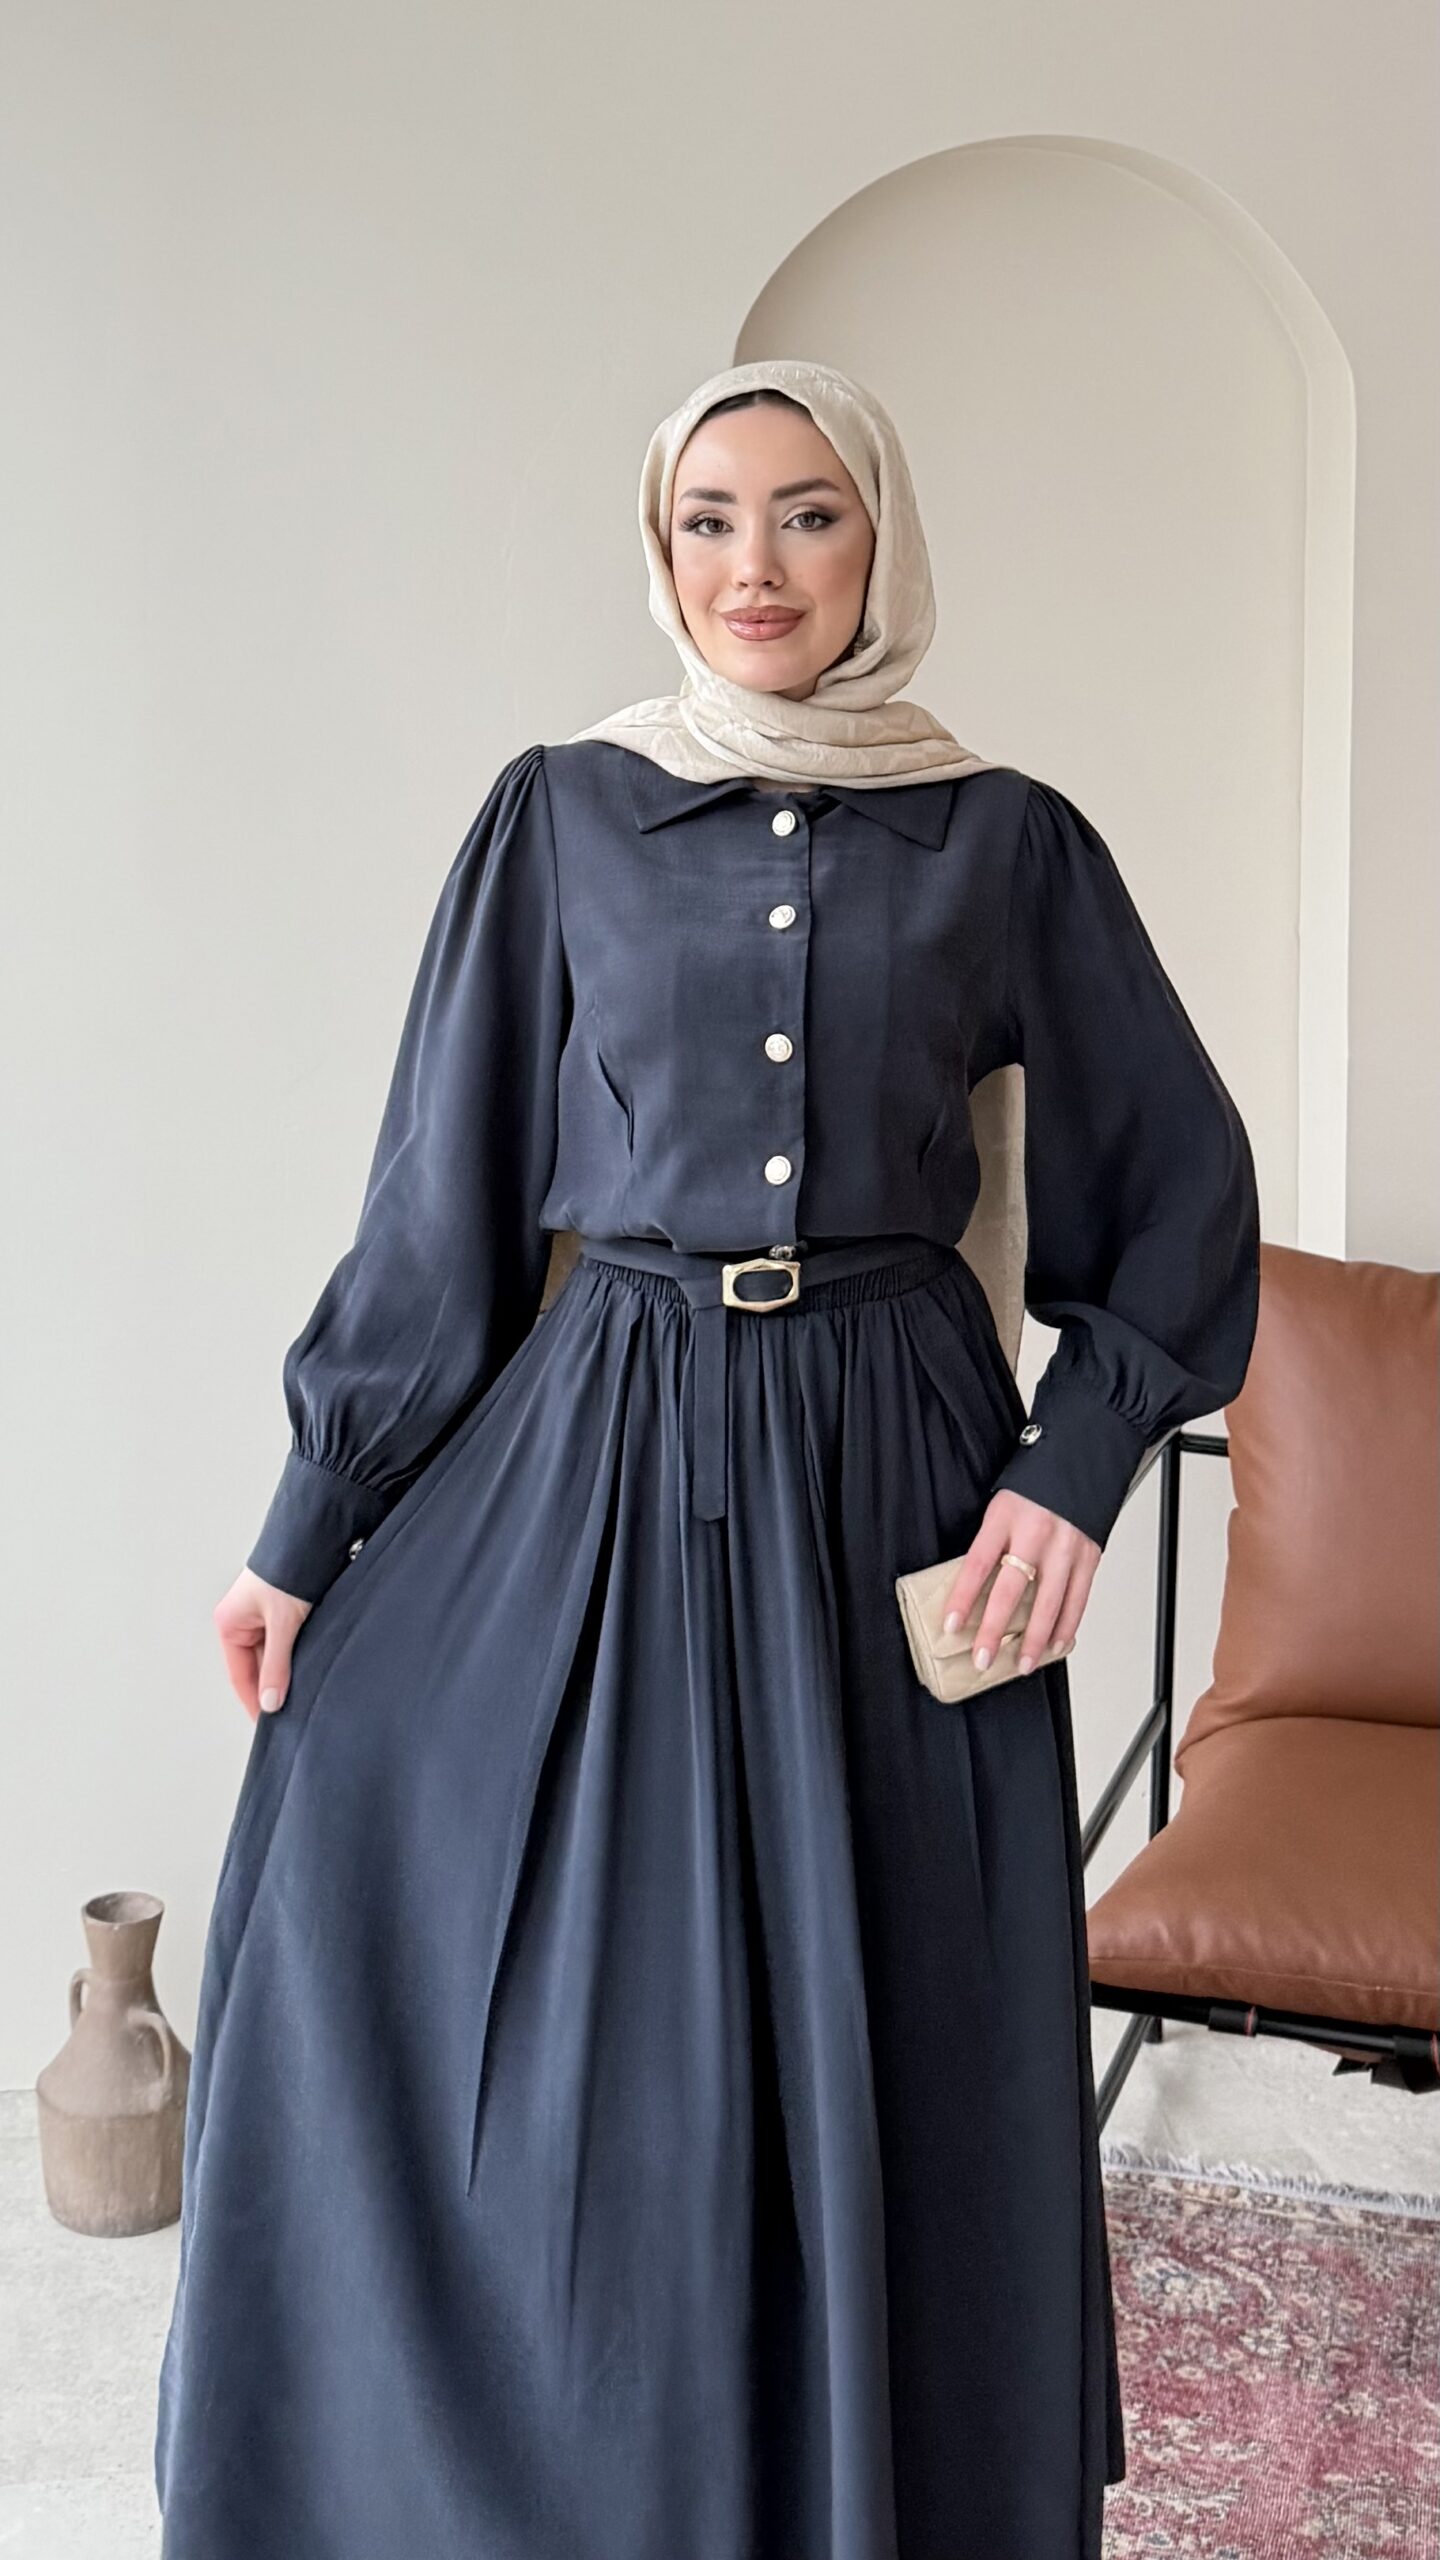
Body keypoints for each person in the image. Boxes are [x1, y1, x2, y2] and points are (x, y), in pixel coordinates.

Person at [153, 356, 1261, 2560]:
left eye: (810, 513)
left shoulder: (1005, 835)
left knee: (903, 2020)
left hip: (901, 1469)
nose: (759, 565)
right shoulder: (562, 813)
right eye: (711, 519)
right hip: (611, 1434)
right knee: (558, 1992)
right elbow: (442, 1208)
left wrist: (1074, 1468)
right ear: (660, 553)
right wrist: (306, 1529)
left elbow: (1178, 1194)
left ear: (883, 541)